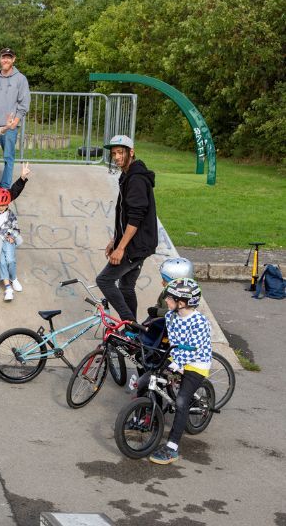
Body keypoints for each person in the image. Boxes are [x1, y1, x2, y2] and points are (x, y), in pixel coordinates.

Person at [148, 278, 212, 465]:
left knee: (182, 401)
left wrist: (178, 364)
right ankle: (145, 416)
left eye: (170, 297)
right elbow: (174, 342)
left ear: (182, 302)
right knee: (148, 379)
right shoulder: (170, 316)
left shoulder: (200, 322)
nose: (166, 300)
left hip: (196, 363)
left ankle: (172, 447)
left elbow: (195, 347)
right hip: (178, 358)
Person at [95, 134, 157, 323]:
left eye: (120, 152)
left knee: (104, 280)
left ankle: (130, 326)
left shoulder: (136, 179)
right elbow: (125, 215)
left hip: (135, 245)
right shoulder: (128, 175)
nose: (116, 157)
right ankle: (133, 335)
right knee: (126, 287)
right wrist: (115, 240)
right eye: (114, 153)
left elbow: (135, 218)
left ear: (131, 152)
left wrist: (121, 248)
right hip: (140, 243)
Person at [0, 47, 30, 189]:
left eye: (9, 57)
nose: (6, 60)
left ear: (13, 59)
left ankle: (5, 187)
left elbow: (24, 102)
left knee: (8, 157)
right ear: (0, 59)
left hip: (9, 127)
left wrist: (15, 122)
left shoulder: (20, 79)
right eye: (4, 57)